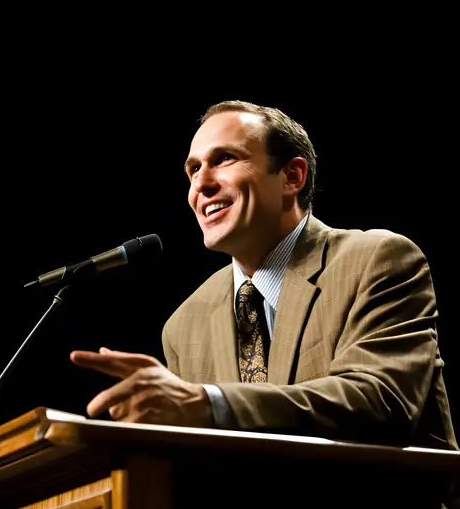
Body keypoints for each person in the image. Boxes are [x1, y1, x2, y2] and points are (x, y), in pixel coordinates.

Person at [70, 99, 457, 467]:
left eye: (224, 159)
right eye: (193, 169)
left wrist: (208, 402)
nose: (201, 185)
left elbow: (380, 401)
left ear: (292, 176)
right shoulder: (183, 325)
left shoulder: (377, 260)